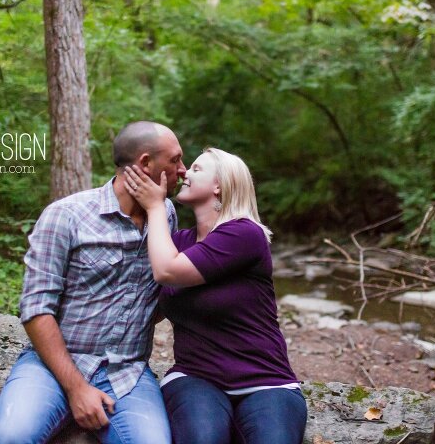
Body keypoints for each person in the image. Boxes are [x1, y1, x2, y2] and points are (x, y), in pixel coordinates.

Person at [0, 121, 186, 444]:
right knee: (12, 437)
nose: (183, 169)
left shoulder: (164, 214)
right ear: (146, 163)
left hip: (127, 373)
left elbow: (162, 291)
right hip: (53, 367)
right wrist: (77, 389)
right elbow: (36, 309)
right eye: (175, 160)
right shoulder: (66, 215)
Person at [123, 147, 307, 444]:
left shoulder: (245, 235)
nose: (184, 172)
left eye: (196, 169)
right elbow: (149, 303)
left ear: (219, 184)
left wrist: (156, 208)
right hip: (195, 377)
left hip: (265, 381)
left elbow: (167, 272)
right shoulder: (177, 242)